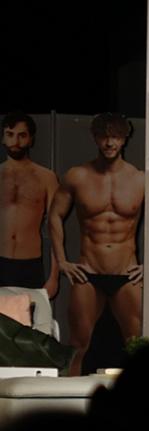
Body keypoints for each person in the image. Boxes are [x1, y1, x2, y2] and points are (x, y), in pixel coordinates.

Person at [48, 112, 145, 375]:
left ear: (125, 139)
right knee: (77, 345)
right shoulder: (77, 176)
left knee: (136, 344)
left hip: (126, 273)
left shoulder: (140, 179)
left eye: (116, 137)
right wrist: (62, 261)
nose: (109, 143)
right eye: (104, 136)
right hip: (88, 272)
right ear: (95, 138)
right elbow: (54, 215)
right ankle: (67, 397)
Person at [1, 112, 59, 297]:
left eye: (22, 135)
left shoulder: (46, 177)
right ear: (3, 138)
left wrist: (54, 277)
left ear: (31, 139)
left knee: (28, 315)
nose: (15, 141)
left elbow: (55, 227)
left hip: (29, 264)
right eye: (10, 134)